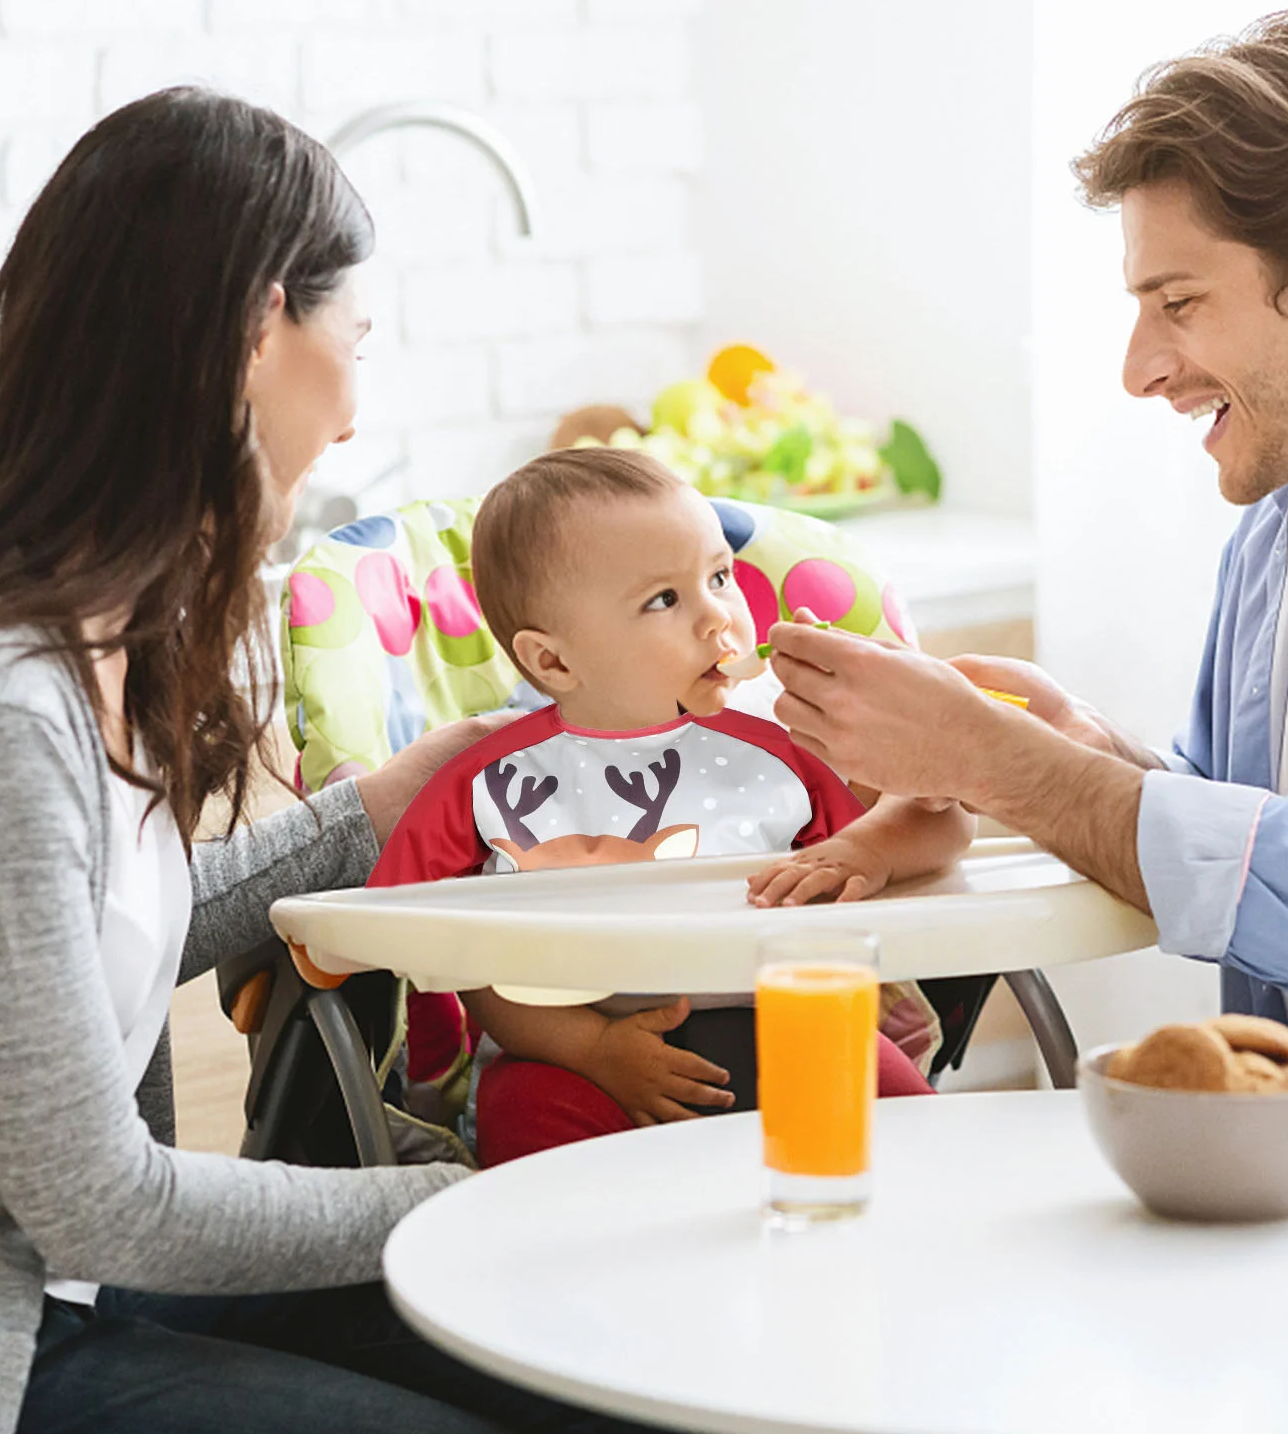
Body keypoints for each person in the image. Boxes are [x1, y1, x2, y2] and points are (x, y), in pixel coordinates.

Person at [0, 88, 640, 1434]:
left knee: (606, 1367)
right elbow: (97, 1198)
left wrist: (388, 804)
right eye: (351, 341)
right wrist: (478, 1190)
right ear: (257, 330)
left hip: (75, 1290)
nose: (356, 414)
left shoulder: (87, 638)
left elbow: (105, 940)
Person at [761, 8, 1288, 1108]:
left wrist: (1000, 763)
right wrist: (1092, 756)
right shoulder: (1283, 511)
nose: (1139, 368)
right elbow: (1252, 840)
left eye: (1180, 302)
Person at [367, 447, 973, 1165]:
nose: (719, 617)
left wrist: (864, 851)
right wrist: (591, 1048)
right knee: (526, 1120)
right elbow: (468, 956)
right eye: (665, 600)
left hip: (801, 1026)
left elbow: (942, 815)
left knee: (921, 1141)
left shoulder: (788, 733)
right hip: (581, 1059)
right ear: (553, 662)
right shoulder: (497, 780)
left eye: (720, 577)